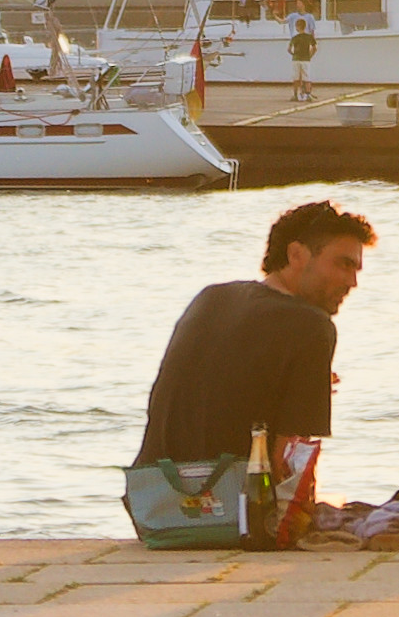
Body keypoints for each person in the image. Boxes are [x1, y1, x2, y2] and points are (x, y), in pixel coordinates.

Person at [136, 202, 372, 498]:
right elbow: (289, 465)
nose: (352, 282)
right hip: (236, 514)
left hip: (156, 506)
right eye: (344, 264)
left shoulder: (211, 298)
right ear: (296, 254)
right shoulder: (312, 326)